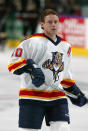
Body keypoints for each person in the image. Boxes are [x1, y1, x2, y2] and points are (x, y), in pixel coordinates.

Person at [8, 9, 87, 131]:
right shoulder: (31, 42)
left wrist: (75, 92)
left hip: (57, 97)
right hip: (32, 97)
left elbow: (65, 75)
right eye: (49, 22)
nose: (53, 24)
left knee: (63, 129)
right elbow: (13, 64)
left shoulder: (66, 46)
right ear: (42, 24)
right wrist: (31, 68)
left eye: (56, 21)